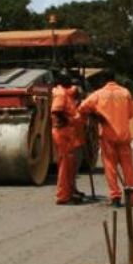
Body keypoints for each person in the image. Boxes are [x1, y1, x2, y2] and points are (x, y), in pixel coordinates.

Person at [79, 73, 133, 207]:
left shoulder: (98, 94)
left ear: (103, 80)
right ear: (115, 80)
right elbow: (130, 114)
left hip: (107, 137)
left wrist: (95, 114)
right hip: (123, 136)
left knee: (110, 167)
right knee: (128, 167)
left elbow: (82, 108)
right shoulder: (125, 93)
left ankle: (115, 197)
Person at [51, 76, 84, 205]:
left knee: (68, 165)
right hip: (63, 133)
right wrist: (67, 121)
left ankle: (69, 193)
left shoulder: (64, 93)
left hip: (67, 133)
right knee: (65, 166)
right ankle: (63, 197)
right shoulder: (61, 94)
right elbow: (56, 111)